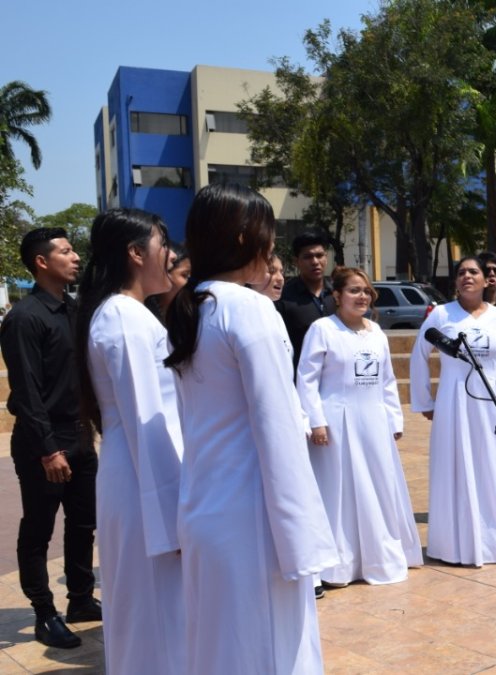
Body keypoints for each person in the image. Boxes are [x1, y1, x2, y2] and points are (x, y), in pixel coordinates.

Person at [165, 183, 337, 673]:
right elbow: (278, 430)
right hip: (253, 516)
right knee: (271, 649)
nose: (272, 249)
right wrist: (302, 538)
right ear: (243, 239)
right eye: (267, 235)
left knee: (222, 646)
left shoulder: (191, 304)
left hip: (205, 507)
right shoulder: (248, 308)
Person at [77, 209, 185, 673]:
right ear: (136, 253)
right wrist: (173, 520)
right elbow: (147, 420)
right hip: (145, 483)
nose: (173, 255)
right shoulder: (123, 318)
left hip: (143, 477)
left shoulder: (129, 315)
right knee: (150, 606)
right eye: (164, 245)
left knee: (156, 606)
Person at [1, 228, 101, 649]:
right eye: (65, 251)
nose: (75, 256)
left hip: (80, 438)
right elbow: (25, 392)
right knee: (39, 528)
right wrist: (48, 450)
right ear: (42, 262)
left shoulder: (74, 310)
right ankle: (44, 611)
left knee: (83, 524)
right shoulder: (25, 318)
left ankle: (80, 599)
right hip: (45, 445)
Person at [297, 267, 423, 586]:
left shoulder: (377, 332)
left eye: (366, 290)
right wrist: (316, 421)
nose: (362, 296)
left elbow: (387, 381)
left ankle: (379, 557)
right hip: (335, 422)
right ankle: (339, 565)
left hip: (373, 421)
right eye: (354, 290)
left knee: (378, 486)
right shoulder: (322, 329)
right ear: (337, 296)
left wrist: (393, 419)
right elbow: (307, 380)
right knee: (338, 490)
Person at [410, 256, 496, 566]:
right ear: (455, 281)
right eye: (461, 272)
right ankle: (454, 545)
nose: (467, 277)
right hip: (454, 402)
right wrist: (425, 401)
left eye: (473, 271)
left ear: (487, 279)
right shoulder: (441, 315)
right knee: (456, 467)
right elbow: (419, 355)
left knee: (493, 467)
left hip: (494, 403)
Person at [277, 231, 336, 369]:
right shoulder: (283, 297)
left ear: (326, 258)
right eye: (308, 257)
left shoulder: (338, 294)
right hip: (299, 378)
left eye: (319, 255)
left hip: (336, 379)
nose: (315, 262)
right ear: (296, 261)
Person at [145, 242, 190, 321]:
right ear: (164, 274)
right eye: (184, 275)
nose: (189, 282)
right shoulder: (144, 317)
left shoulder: (187, 317)